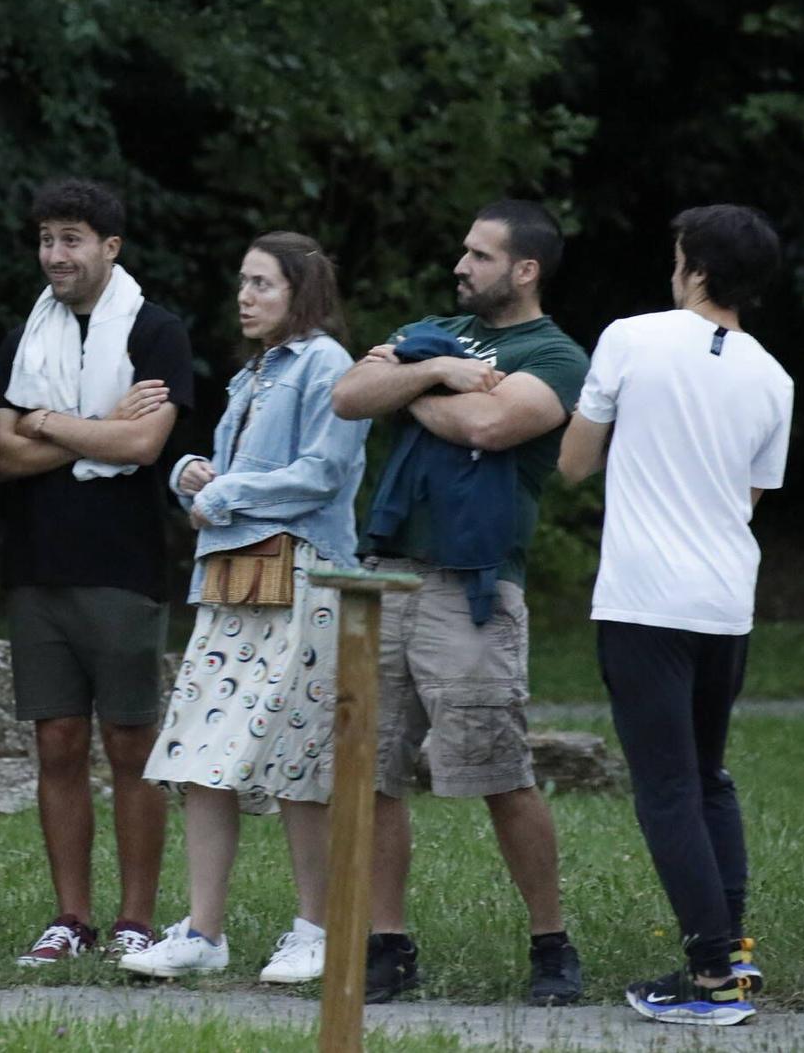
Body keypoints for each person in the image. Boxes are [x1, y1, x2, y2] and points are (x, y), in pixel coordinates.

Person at [329, 199, 588, 1006]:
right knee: (371, 771)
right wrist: (438, 371)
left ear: (525, 269)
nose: (460, 266)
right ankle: (388, 943)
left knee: (499, 769)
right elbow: (348, 391)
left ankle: (551, 944)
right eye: (463, 251)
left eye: (479, 255)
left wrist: (405, 384)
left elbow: (490, 425)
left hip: (470, 587)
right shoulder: (437, 330)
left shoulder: (556, 354)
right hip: (386, 575)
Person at [558, 205, 792, 1026]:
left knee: (664, 788)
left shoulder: (630, 337)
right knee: (708, 775)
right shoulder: (774, 376)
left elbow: (575, 462)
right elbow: (751, 497)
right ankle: (734, 955)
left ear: (693, 265)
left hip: (644, 596)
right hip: (728, 599)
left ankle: (711, 978)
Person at [122, 231, 366, 984]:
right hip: (235, 583)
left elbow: (322, 473)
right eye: (242, 282)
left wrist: (222, 492)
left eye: (262, 283)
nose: (245, 296)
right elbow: (240, 474)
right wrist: (196, 471)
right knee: (199, 752)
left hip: (304, 580)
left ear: (301, 291)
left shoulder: (327, 364)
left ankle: (317, 929)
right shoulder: (253, 373)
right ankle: (203, 930)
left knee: (298, 757)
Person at [0, 179, 192, 966]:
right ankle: (70, 915)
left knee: (132, 743)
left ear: (111, 247)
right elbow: (2, 454)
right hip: (38, 569)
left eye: (71, 238)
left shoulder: (158, 332)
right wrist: (100, 424)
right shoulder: (23, 336)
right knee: (59, 743)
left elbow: (145, 448)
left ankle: (136, 919)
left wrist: (48, 421)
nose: (55, 254)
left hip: (125, 565)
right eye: (45, 238)